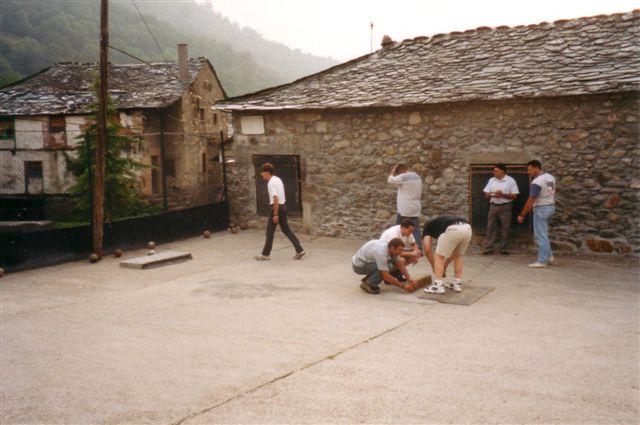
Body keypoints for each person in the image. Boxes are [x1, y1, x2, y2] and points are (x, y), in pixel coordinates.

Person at [255, 162, 305, 261]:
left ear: (267, 172)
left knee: (270, 232)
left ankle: (265, 254)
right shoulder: (278, 179)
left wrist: (275, 213)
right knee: (286, 230)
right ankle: (300, 250)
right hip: (283, 207)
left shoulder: (271, 183)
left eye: (263, 172)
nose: (261, 174)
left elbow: (275, 198)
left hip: (276, 208)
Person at [517, 160, 556, 268]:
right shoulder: (550, 177)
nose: (528, 172)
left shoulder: (537, 182)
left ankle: (542, 261)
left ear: (536, 168)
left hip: (541, 208)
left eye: (529, 169)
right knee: (543, 234)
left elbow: (531, 200)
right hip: (550, 206)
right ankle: (549, 256)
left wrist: (522, 214)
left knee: (540, 235)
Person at [421, 215, 472, 294]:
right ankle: (457, 284)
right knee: (457, 255)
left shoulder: (427, 227)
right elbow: (452, 255)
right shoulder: (441, 221)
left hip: (453, 229)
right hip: (467, 228)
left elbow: (427, 249)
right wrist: (444, 265)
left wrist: (434, 266)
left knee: (438, 256)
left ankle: (438, 286)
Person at [352, 238, 417, 294]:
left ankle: (369, 279)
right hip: (359, 266)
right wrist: (403, 286)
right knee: (387, 267)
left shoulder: (389, 247)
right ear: (392, 248)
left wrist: (409, 278)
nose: (401, 252)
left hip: (366, 261)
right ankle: (369, 283)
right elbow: (386, 276)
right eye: (400, 250)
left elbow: (399, 264)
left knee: (390, 264)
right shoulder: (381, 253)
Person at [482, 163, 519, 255]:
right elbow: (486, 194)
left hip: (506, 206)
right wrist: (493, 194)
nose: (493, 172)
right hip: (493, 205)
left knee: (506, 227)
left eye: (496, 171)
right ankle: (488, 248)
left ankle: (503, 249)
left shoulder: (511, 181)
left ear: (502, 171)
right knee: (490, 226)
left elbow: (515, 196)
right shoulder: (491, 180)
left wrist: (502, 195)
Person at [387, 164, 422, 247]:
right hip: (415, 207)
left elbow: (390, 180)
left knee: (397, 228)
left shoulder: (404, 176)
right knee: (415, 229)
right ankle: (418, 249)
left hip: (405, 208)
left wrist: (393, 170)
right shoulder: (418, 177)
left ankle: (396, 247)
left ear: (400, 171)